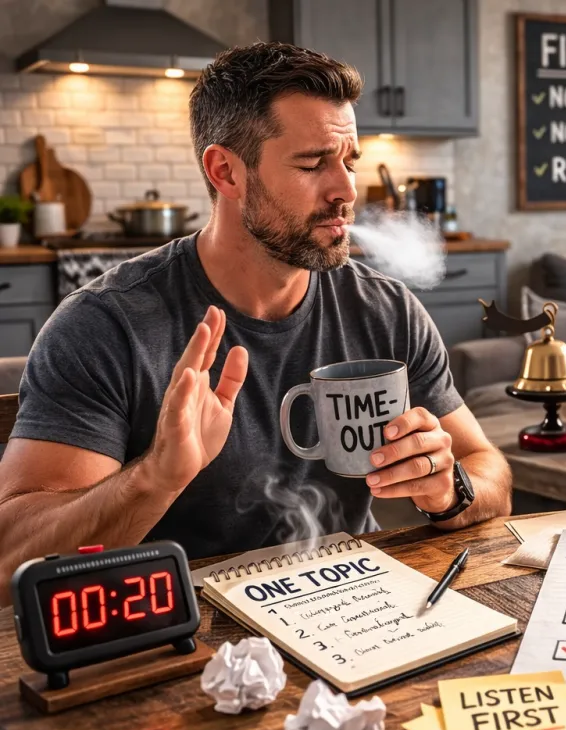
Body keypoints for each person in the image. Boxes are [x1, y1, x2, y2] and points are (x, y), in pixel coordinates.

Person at [0, 43, 512, 605]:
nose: (346, 191)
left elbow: (489, 470)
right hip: (178, 628)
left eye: (349, 161)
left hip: (355, 606)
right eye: (312, 164)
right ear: (226, 172)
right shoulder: (105, 326)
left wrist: (450, 488)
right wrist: (154, 478)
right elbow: (12, 557)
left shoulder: (386, 310)